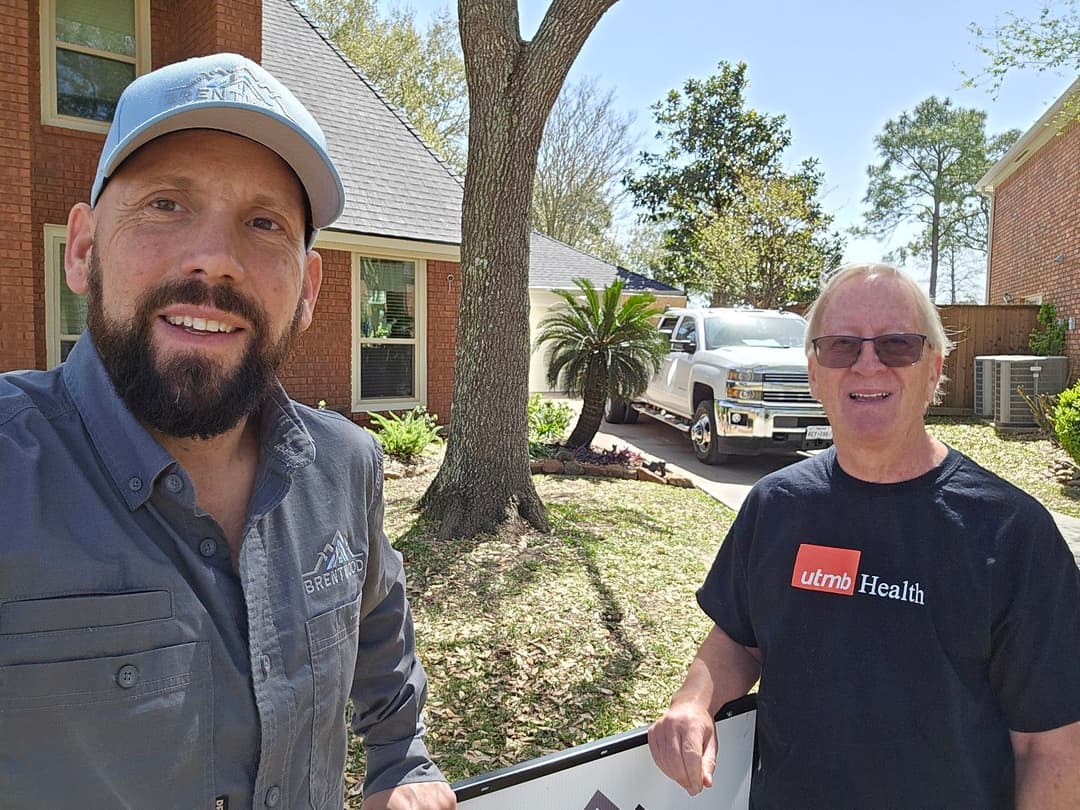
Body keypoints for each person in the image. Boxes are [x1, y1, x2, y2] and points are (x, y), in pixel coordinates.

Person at [0, 53, 456, 810]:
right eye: (165, 205)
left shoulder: (346, 465)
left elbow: (379, 625)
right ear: (83, 250)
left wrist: (401, 761)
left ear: (308, 290)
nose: (216, 257)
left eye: (264, 223)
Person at [648, 263, 1080, 808]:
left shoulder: (1013, 533)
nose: (867, 365)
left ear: (934, 369)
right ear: (814, 370)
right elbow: (739, 637)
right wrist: (694, 700)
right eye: (841, 346)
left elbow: (1053, 749)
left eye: (897, 345)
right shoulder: (777, 506)